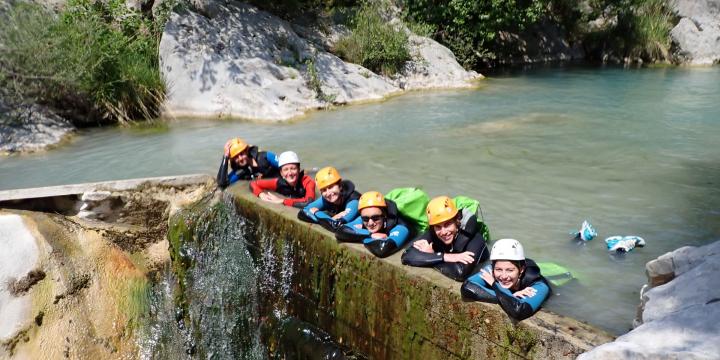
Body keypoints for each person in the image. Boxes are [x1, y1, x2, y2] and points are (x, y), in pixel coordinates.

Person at [401, 196, 488, 281]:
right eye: (438, 226)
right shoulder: (434, 231)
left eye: (447, 224)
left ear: (457, 220)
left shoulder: (476, 239)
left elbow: (460, 272)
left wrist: (430, 257)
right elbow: (407, 256)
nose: (443, 232)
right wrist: (444, 256)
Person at [461, 238, 550, 321]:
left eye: (510, 270)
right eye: (499, 269)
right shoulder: (491, 270)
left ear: (521, 269)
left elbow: (519, 310)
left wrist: (494, 284)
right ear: (493, 267)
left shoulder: (539, 284)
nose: (503, 276)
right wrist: (511, 296)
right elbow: (467, 287)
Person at [335, 191, 411, 258]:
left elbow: (383, 249)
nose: (370, 223)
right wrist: (369, 235)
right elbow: (340, 231)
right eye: (365, 219)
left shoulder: (401, 225)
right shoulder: (364, 218)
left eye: (375, 218)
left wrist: (357, 234)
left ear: (384, 215)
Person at [298, 166, 360, 232]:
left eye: (331, 187)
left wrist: (316, 213)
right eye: (324, 190)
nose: (328, 193)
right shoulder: (326, 199)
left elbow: (336, 225)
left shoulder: (354, 201)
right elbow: (303, 212)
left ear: (340, 185)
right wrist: (332, 218)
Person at [249, 151, 316, 208]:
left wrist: (282, 201)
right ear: (281, 173)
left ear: (299, 169)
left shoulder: (308, 181)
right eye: (285, 170)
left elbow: (309, 202)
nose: (289, 173)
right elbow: (253, 183)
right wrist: (261, 194)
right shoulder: (278, 183)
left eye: (293, 168)